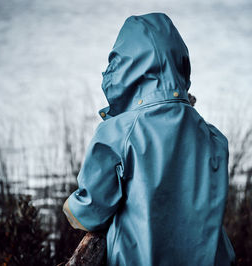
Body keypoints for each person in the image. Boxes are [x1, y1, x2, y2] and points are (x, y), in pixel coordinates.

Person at [63, 12, 236, 266]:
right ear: (180, 60)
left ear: (123, 67)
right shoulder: (211, 136)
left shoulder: (118, 132)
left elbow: (90, 209)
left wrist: (69, 208)